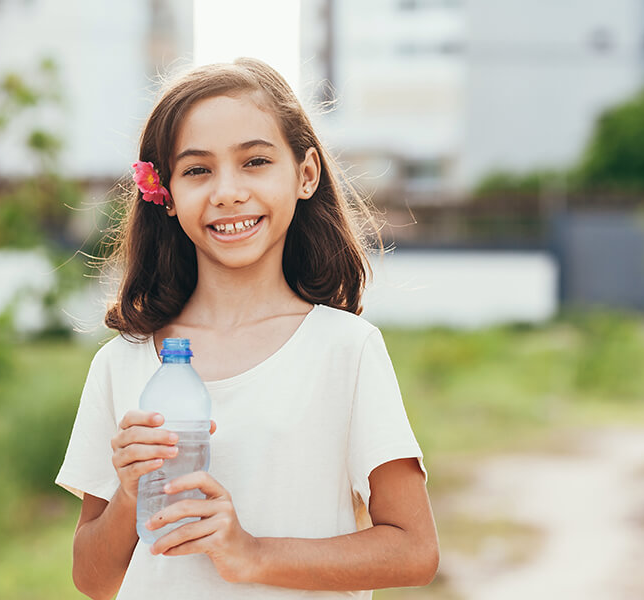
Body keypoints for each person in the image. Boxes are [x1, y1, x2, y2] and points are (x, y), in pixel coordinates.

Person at [56, 57, 439, 600]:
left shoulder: (345, 351)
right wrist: (128, 494)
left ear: (306, 174)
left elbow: (415, 551)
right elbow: (93, 579)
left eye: (255, 161)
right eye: (197, 170)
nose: (228, 192)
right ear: (164, 192)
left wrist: (252, 553)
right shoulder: (122, 363)